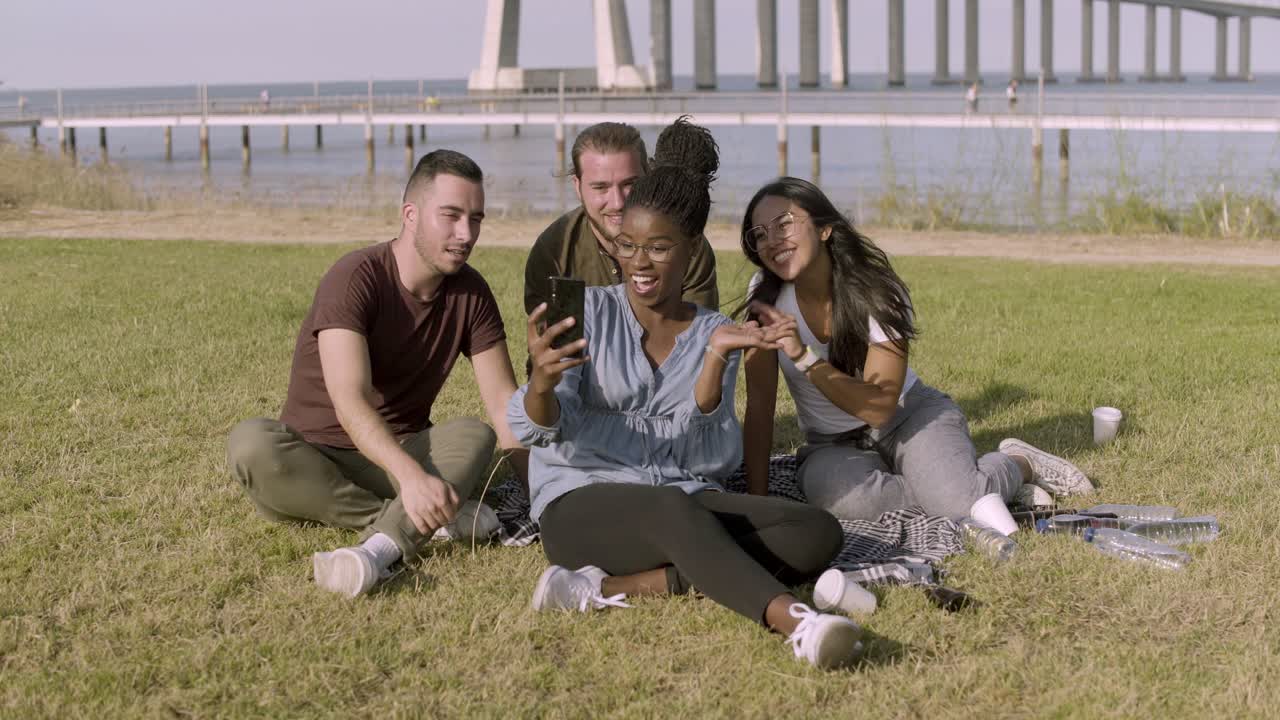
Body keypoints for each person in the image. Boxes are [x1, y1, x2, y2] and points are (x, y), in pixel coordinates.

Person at [507, 165, 863, 670]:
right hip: (579, 504)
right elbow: (549, 428)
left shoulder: (714, 331)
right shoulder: (581, 310)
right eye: (626, 245)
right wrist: (541, 384)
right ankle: (798, 622)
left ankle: (603, 587)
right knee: (672, 506)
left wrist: (714, 363)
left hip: (682, 501)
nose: (639, 262)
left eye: (657, 247)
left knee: (815, 531)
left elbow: (708, 462)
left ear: (692, 248)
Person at [226, 149, 530, 598]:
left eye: (476, 219)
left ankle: (381, 545)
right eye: (451, 216)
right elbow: (351, 399)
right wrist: (412, 480)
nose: (466, 234)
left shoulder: (471, 291)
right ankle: (420, 522)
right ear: (410, 214)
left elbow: (504, 403)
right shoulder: (356, 276)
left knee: (474, 436)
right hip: (316, 457)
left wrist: (541, 493)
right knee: (251, 445)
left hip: (399, 450)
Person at [736, 177, 1093, 524]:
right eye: (760, 234)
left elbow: (878, 408)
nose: (773, 240)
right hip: (832, 445)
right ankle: (965, 490)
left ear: (825, 228)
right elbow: (761, 405)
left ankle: (1017, 463)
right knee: (847, 500)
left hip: (909, 416)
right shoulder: (765, 298)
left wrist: (804, 357)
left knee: (954, 500)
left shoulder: (877, 291)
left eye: (784, 223)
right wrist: (756, 503)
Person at [523, 119, 719, 322]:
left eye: (629, 184)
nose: (618, 203)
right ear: (577, 186)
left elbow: (697, 339)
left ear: (648, 174)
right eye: (600, 187)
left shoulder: (684, 244)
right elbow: (556, 346)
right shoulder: (555, 249)